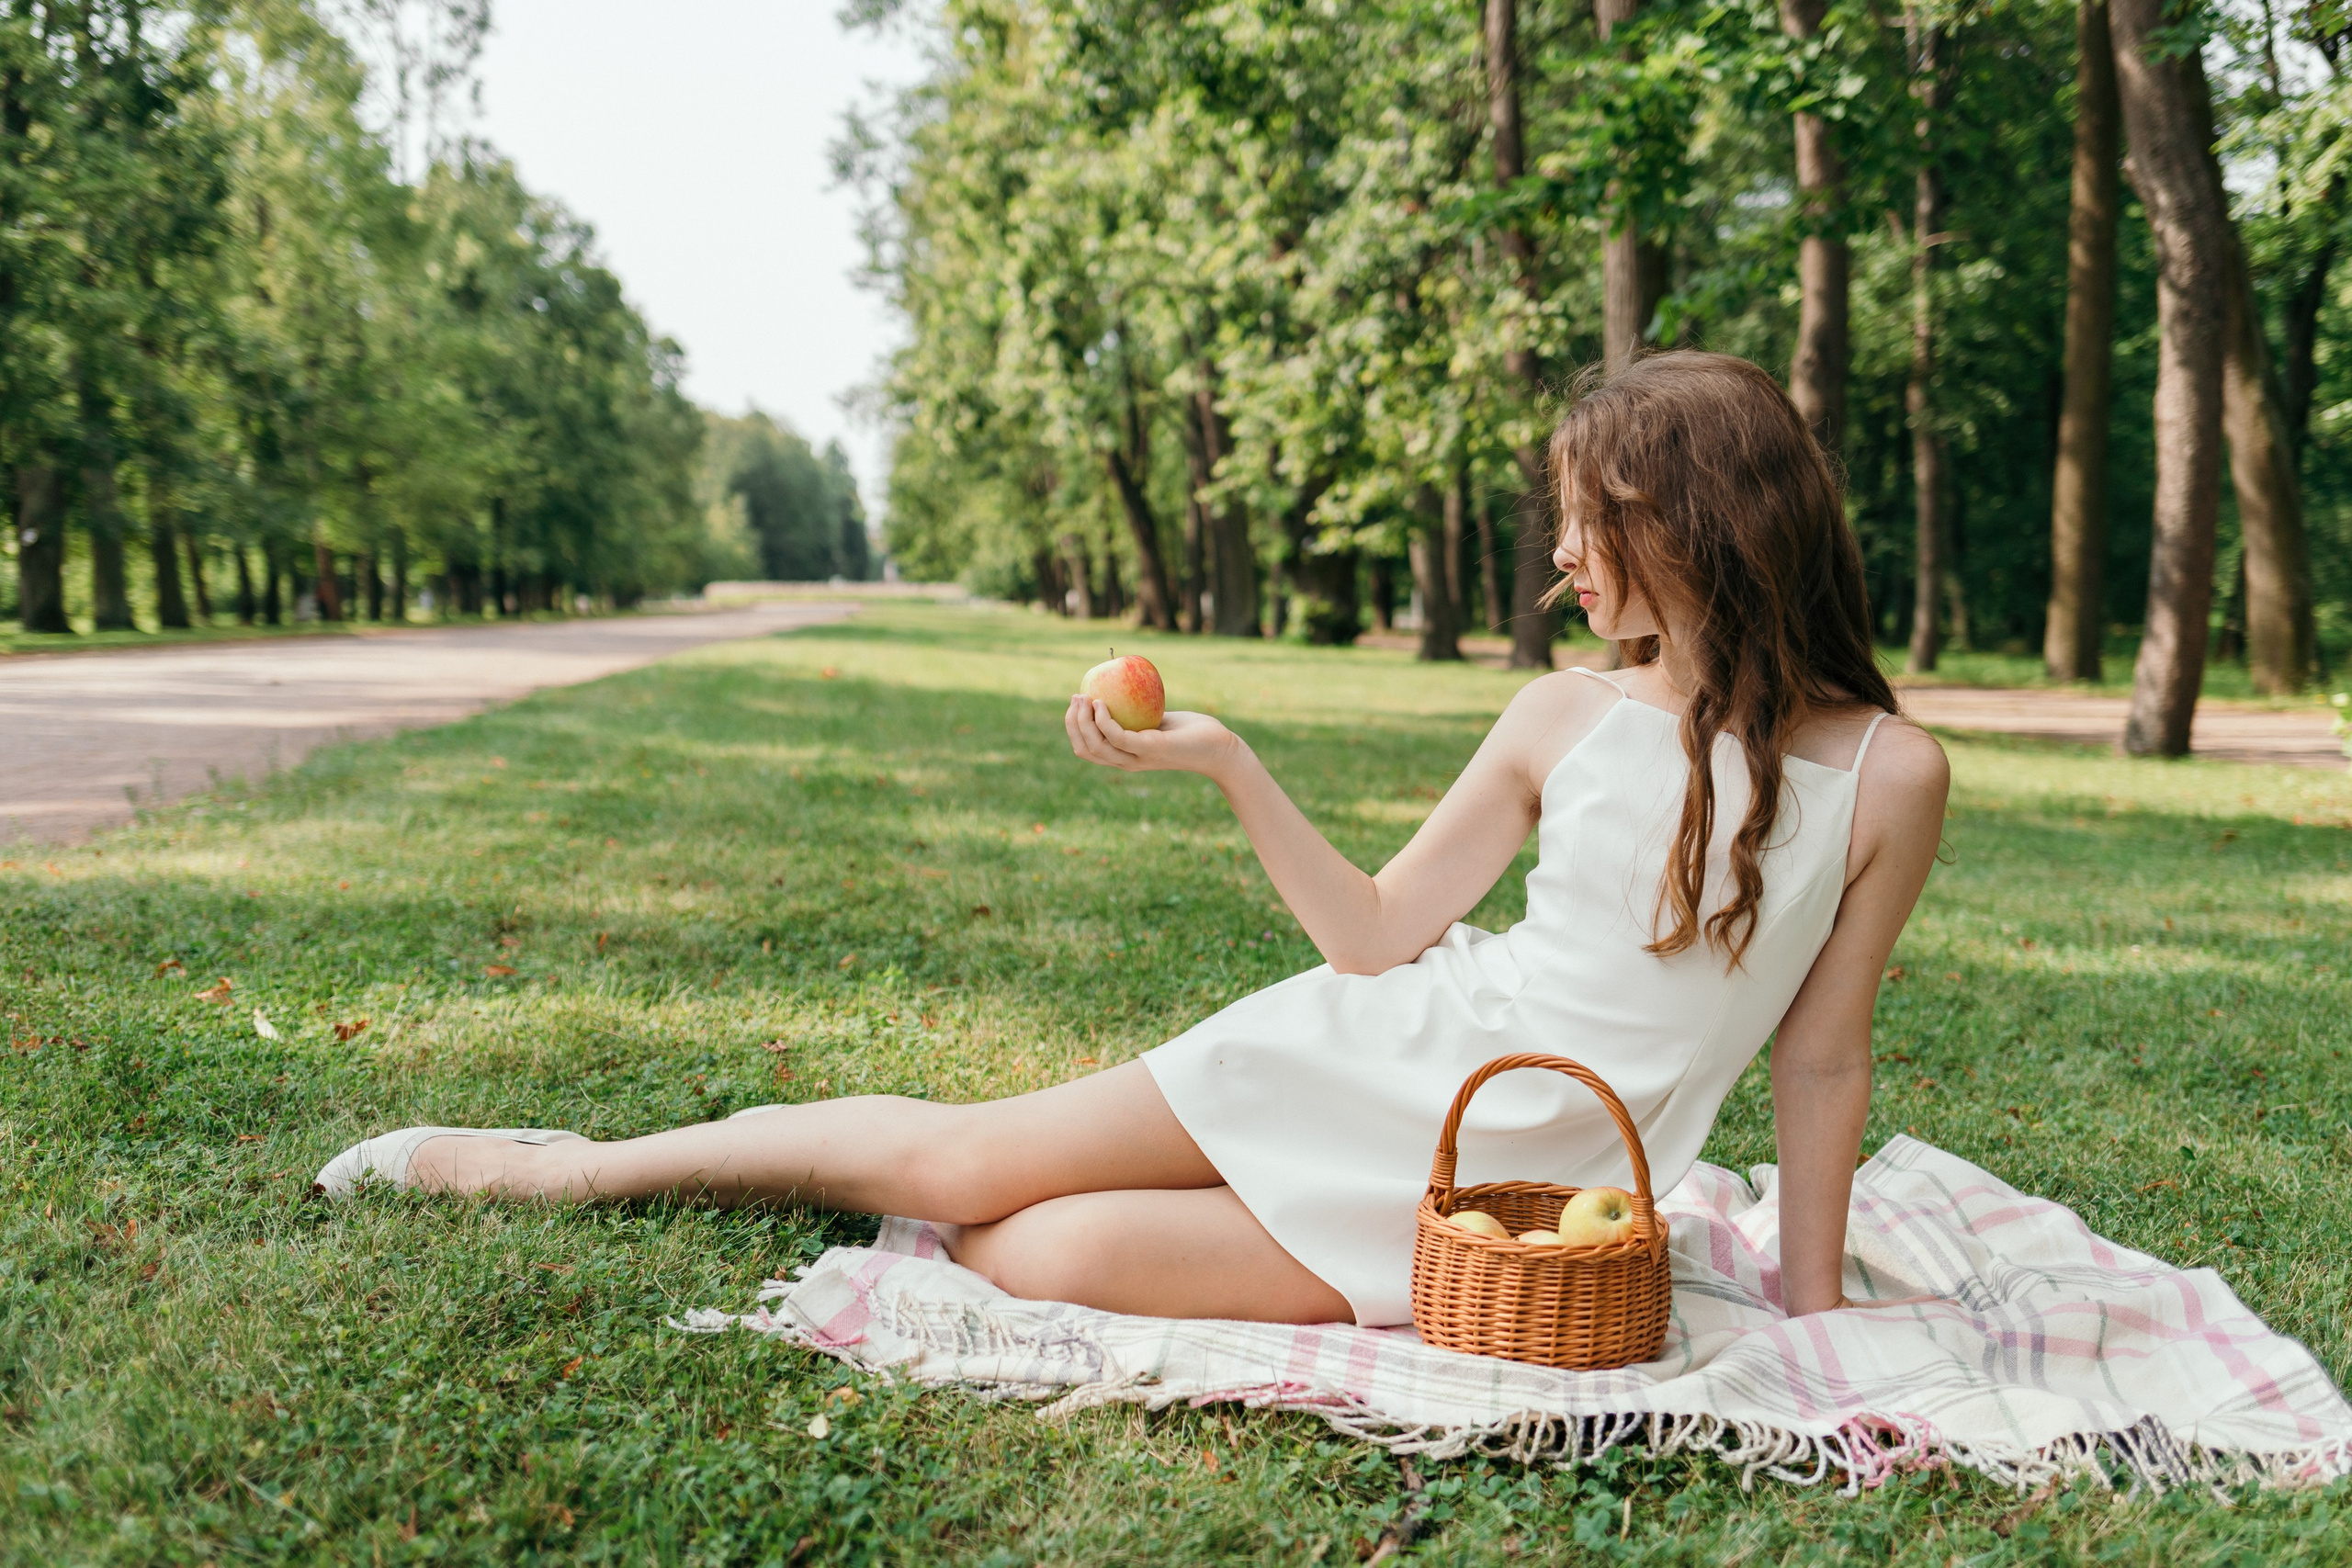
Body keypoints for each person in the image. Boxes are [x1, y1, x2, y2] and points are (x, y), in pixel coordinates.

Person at [315, 352, 1949, 1329]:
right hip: (1389, 1046)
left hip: (1516, 1187)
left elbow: (1822, 1059)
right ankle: (564, 1170)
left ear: (1704, 523)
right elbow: (1377, 937)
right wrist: (1231, 762)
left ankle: (682, 1177)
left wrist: (1812, 1313)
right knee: (958, 1161)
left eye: (1597, 518)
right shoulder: (1560, 717)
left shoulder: (1889, 774)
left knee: (1034, 1253)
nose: (1567, 555)